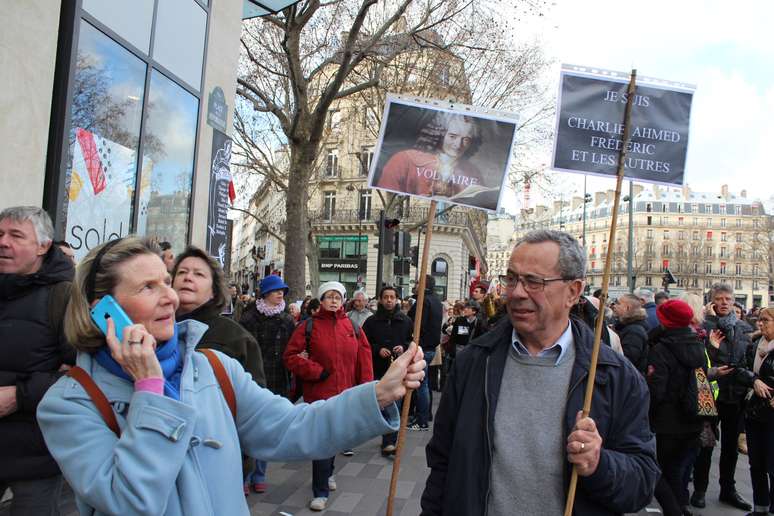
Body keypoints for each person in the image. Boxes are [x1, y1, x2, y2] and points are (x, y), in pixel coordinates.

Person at [36, 237, 425, 516]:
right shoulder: (69, 404)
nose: (170, 296)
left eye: (166, 282)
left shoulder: (213, 367)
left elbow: (295, 427)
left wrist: (378, 394)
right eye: (147, 287)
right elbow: (130, 501)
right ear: (103, 311)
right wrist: (150, 391)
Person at [421, 230, 658, 516]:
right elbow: (443, 464)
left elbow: (642, 482)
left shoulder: (615, 376)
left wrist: (599, 463)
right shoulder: (473, 363)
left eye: (534, 281)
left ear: (573, 291)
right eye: (512, 278)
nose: (517, 293)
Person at [0, 206, 75, 515]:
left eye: (16, 235)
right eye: (0, 234)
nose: (3, 242)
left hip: (37, 455)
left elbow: (83, 375)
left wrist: (20, 395)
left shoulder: (65, 298)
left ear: (43, 246)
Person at [283, 281, 375, 511]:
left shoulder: (353, 327)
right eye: (329, 296)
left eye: (337, 297)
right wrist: (316, 371)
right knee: (323, 441)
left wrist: (365, 390)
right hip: (319, 394)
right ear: (321, 300)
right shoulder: (308, 326)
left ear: (344, 300)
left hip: (345, 394)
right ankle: (320, 490)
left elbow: (364, 361)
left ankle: (328, 472)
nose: (333, 301)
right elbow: (291, 356)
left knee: (336, 437)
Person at [691, 283, 754, 511]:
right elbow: (698, 361)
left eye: (728, 298)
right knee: (705, 444)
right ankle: (699, 489)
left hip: (734, 396)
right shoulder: (704, 326)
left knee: (729, 448)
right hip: (710, 394)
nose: (724, 302)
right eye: (720, 298)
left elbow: (747, 360)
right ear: (712, 301)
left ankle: (728, 489)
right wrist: (712, 348)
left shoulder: (744, 329)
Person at [646, 299, 708, 516]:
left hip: (667, 422)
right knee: (679, 470)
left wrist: (647, 415)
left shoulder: (662, 348)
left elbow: (657, 389)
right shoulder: (698, 343)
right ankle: (680, 507)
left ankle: (675, 511)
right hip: (693, 418)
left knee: (655, 469)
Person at [172, 247, 265, 386]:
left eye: (198, 274)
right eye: (182, 272)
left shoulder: (237, 339)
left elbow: (254, 402)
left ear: (213, 291)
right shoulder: (155, 329)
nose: (188, 277)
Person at [239, 274, 297, 494]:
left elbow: (291, 350)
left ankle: (260, 474)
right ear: (265, 293)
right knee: (248, 428)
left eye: (282, 290)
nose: (280, 293)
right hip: (252, 379)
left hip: (277, 380)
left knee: (268, 429)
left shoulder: (287, 320)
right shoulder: (249, 318)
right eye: (275, 290)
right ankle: (244, 475)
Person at [375, 112, 487, 202]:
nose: (458, 145)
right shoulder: (403, 160)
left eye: (466, 140)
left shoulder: (473, 173)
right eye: (452, 136)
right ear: (440, 134)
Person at [362, 286, 413, 456]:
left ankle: (389, 441)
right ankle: (383, 433)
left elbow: (412, 341)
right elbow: (364, 343)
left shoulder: (405, 321)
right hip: (377, 368)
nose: (389, 300)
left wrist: (403, 347)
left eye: (392, 297)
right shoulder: (371, 321)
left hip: (397, 369)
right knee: (380, 403)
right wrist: (378, 349)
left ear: (397, 299)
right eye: (386, 297)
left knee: (394, 404)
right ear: (380, 300)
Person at [743, 307, 774, 516]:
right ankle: (760, 508)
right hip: (755, 413)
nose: (760, 323)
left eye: (766, 320)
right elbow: (741, 369)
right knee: (757, 463)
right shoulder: (754, 345)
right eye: (759, 320)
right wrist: (753, 380)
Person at [408, 275, 443, 431]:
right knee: (425, 382)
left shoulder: (424, 301)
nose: (415, 285)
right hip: (430, 347)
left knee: (421, 385)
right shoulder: (436, 300)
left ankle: (422, 420)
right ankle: (424, 414)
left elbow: (416, 324)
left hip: (422, 346)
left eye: (417, 282)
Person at [613, 293, 650, 374]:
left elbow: (627, 360)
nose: (614, 306)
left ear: (627, 308)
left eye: (618, 303)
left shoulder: (634, 331)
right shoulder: (627, 326)